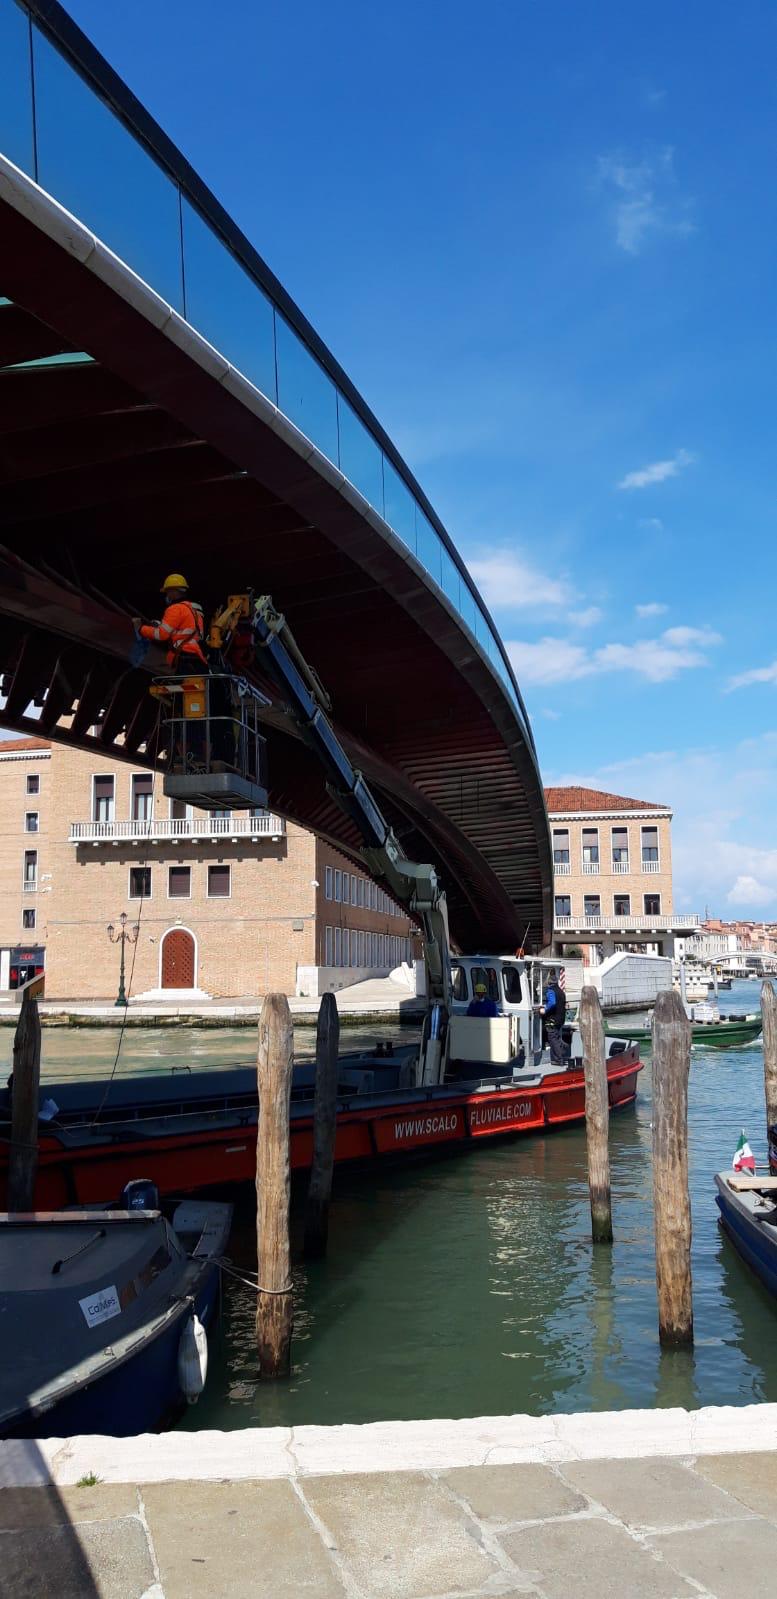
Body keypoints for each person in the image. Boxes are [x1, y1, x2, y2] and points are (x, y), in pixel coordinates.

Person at [135, 575, 207, 667]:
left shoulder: (175, 609)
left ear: (174, 591)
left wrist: (141, 629)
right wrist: (160, 625)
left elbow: (161, 635)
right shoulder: (192, 609)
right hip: (195, 655)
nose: (167, 595)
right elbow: (184, 630)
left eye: (168, 592)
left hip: (183, 655)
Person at [538, 968, 567, 1065]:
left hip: (553, 1019)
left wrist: (544, 1009)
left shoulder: (551, 991)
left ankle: (559, 1059)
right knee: (556, 1037)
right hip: (561, 1019)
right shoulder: (561, 992)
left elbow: (552, 1002)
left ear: (549, 983)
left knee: (552, 1038)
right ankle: (554, 1059)